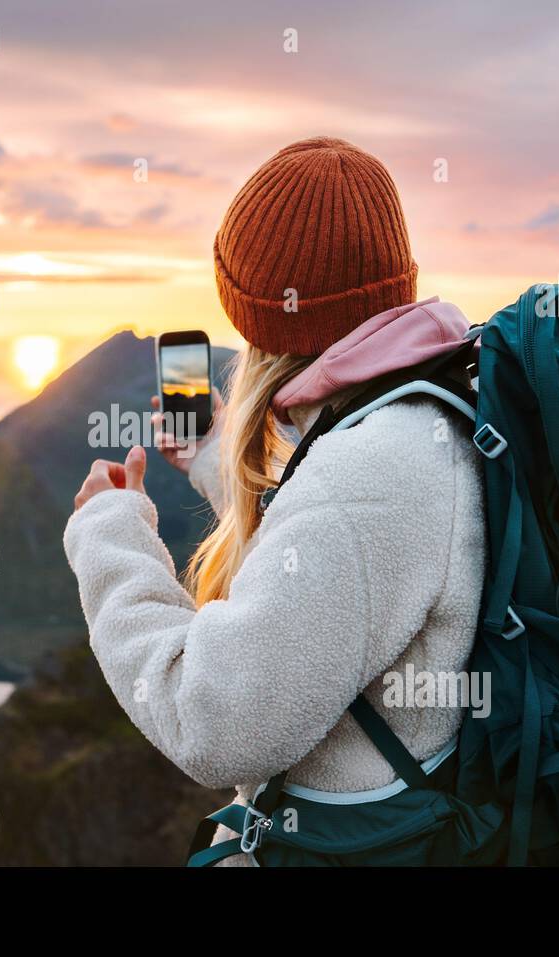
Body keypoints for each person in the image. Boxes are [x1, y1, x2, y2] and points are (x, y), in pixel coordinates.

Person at [63, 136, 485, 865]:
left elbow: (217, 725)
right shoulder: (433, 403)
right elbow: (343, 562)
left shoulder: (369, 472)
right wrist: (219, 468)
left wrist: (109, 539)